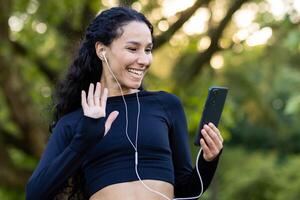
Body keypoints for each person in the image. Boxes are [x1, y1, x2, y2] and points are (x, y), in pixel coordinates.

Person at [26, 6, 223, 200]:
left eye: (148, 50)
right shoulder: (76, 121)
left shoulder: (166, 105)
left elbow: (187, 190)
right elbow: (35, 194)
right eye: (132, 49)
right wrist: (83, 141)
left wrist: (208, 160)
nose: (144, 60)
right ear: (102, 50)